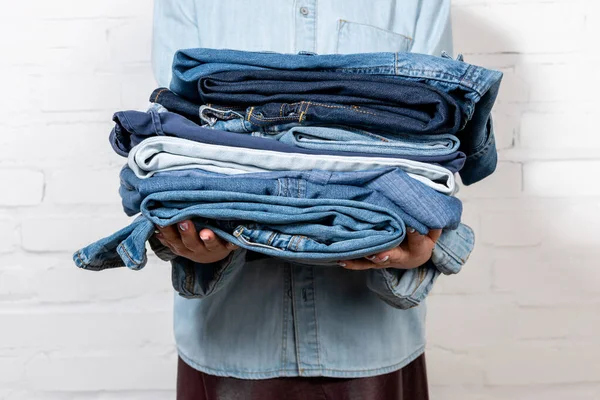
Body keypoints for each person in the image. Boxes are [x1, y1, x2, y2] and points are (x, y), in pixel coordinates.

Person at [151, 1, 455, 398]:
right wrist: (184, 237)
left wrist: (423, 241)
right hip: (229, 342)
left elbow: (438, 147)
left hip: (371, 344)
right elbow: (173, 152)